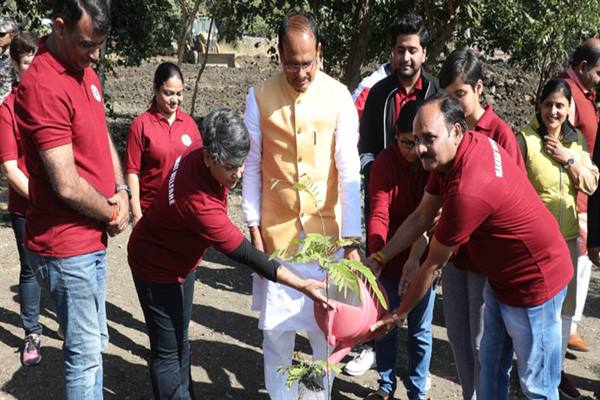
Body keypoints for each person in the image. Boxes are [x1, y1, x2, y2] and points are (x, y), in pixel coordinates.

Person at [368, 93, 573, 399]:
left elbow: (431, 265)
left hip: (536, 283)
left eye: (429, 138)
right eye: (416, 138)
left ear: (456, 132)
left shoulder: (468, 190)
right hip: (501, 279)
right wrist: (381, 257)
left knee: (537, 387)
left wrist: (397, 315)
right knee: (488, 368)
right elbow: (422, 215)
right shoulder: (452, 156)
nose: (420, 148)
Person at [127, 108, 332, 399]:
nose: (238, 173)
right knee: (167, 352)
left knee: (180, 343)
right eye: (231, 166)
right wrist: (301, 284)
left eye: (241, 163)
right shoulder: (198, 204)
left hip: (180, 261)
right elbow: (248, 255)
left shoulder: (201, 150)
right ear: (209, 156)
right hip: (155, 267)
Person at [242, 11, 362, 399]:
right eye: (292, 64)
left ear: (320, 55)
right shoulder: (259, 97)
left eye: (307, 63)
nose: (300, 73)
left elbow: (348, 172)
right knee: (277, 339)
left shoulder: (339, 97)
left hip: (327, 247)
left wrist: (352, 239)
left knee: (324, 338)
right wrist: (253, 225)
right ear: (279, 56)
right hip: (278, 244)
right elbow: (252, 166)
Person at [14, 1, 130, 398]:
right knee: (84, 357)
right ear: (59, 27)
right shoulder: (43, 84)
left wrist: (123, 189)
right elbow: (65, 182)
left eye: (99, 44)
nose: (95, 53)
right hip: (65, 247)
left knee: (94, 347)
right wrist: (111, 209)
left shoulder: (86, 72)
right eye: (86, 44)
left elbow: (101, 140)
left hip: (89, 240)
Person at [352, 15, 441, 376]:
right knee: (382, 287)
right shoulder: (378, 94)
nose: (407, 57)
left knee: (420, 294)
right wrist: (379, 177)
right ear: (392, 52)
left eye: (413, 50)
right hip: (384, 202)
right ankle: (379, 367)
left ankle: (418, 384)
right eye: (401, 50)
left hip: (428, 200)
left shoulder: (435, 95)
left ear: (424, 53)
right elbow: (365, 148)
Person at [437, 47, 524, 399]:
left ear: (479, 89)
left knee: (482, 341)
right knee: (457, 335)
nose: (454, 102)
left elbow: (512, 199)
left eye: (460, 94)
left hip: (487, 259)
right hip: (456, 255)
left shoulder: (500, 134)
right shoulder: (448, 132)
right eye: (447, 96)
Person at [517, 78, 598, 400]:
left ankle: (555, 372)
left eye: (560, 105)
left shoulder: (575, 141)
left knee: (563, 313)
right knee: (534, 312)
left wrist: (569, 158)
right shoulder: (525, 140)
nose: (553, 111)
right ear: (539, 105)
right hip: (535, 244)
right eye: (548, 104)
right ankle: (529, 376)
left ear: (569, 110)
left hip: (567, 242)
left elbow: (591, 183)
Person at [365, 100, 433, 400]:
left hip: (424, 260)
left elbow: (432, 219)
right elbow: (379, 214)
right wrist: (378, 256)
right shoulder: (384, 163)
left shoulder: (433, 164)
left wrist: (420, 260)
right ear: (395, 137)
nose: (415, 150)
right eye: (408, 142)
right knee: (385, 325)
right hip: (389, 259)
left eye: (420, 142)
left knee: (420, 331)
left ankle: (417, 390)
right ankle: (385, 385)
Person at [0, 31, 41, 366]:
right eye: (28, 63)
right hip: (26, 205)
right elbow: (10, 169)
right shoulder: (8, 109)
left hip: (61, 202)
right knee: (30, 268)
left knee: (62, 265)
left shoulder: (52, 100)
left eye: (37, 61)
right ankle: (32, 332)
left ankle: (75, 327)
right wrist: (42, 198)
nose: (34, 68)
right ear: (15, 65)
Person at [560, 38, 600, 357]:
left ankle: (569, 328)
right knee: (572, 267)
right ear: (583, 67)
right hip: (572, 198)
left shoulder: (587, 94)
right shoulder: (566, 94)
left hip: (585, 195)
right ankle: (563, 334)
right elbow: (563, 144)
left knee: (583, 264)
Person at [125, 62, 202, 226]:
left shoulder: (189, 125)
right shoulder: (141, 125)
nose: (175, 100)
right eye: (169, 93)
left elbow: (200, 168)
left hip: (185, 215)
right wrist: (137, 215)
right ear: (155, 89)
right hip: (152, 215)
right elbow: (132, 172)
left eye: (179, 94)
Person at [0, 16, 17, 103]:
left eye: (2, 34)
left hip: (7, 106)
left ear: (12, 34)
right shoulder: (3, 55)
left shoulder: (16, 56)